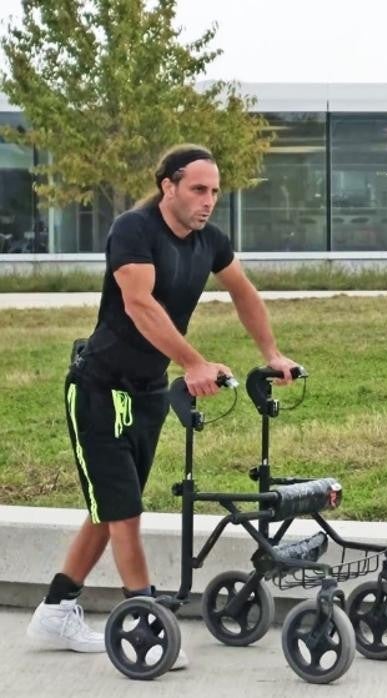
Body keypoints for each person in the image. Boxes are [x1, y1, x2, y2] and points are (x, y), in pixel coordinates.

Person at [26, 145, 300, 667]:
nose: (209, 201)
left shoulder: (209, 242)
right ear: (167, 186)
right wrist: (194, 362)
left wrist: (271, 353)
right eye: (198, 189)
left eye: (215, 191)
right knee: (123, 509)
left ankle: (55, 611)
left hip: (149, 390)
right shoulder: (134, 229)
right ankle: (147, 622)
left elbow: (243, 291)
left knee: (108, 510)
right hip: (100, 388)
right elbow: (139, 305)